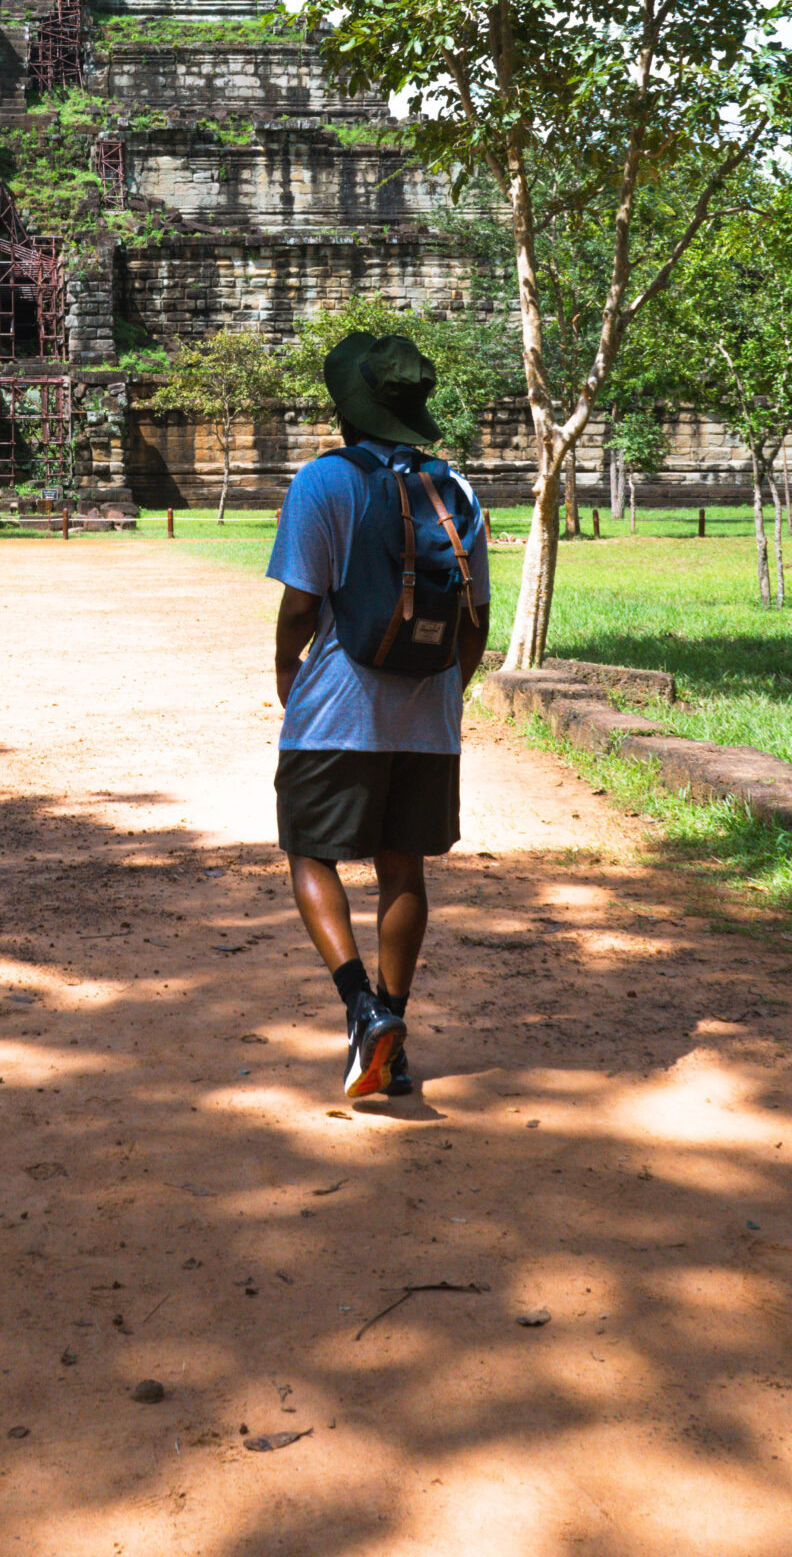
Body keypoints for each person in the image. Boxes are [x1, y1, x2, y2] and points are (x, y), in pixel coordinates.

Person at [267, 331, 490, 1099]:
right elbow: (476, 621)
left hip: (337, 710)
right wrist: (444, 698)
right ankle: (392, 1025)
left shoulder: (324, 482)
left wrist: (285, 669)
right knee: (403, 868)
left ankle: (362, 1009)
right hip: (427, 720)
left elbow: (301, 604)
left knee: (308, 850)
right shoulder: (456, 491)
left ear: (348, 411)